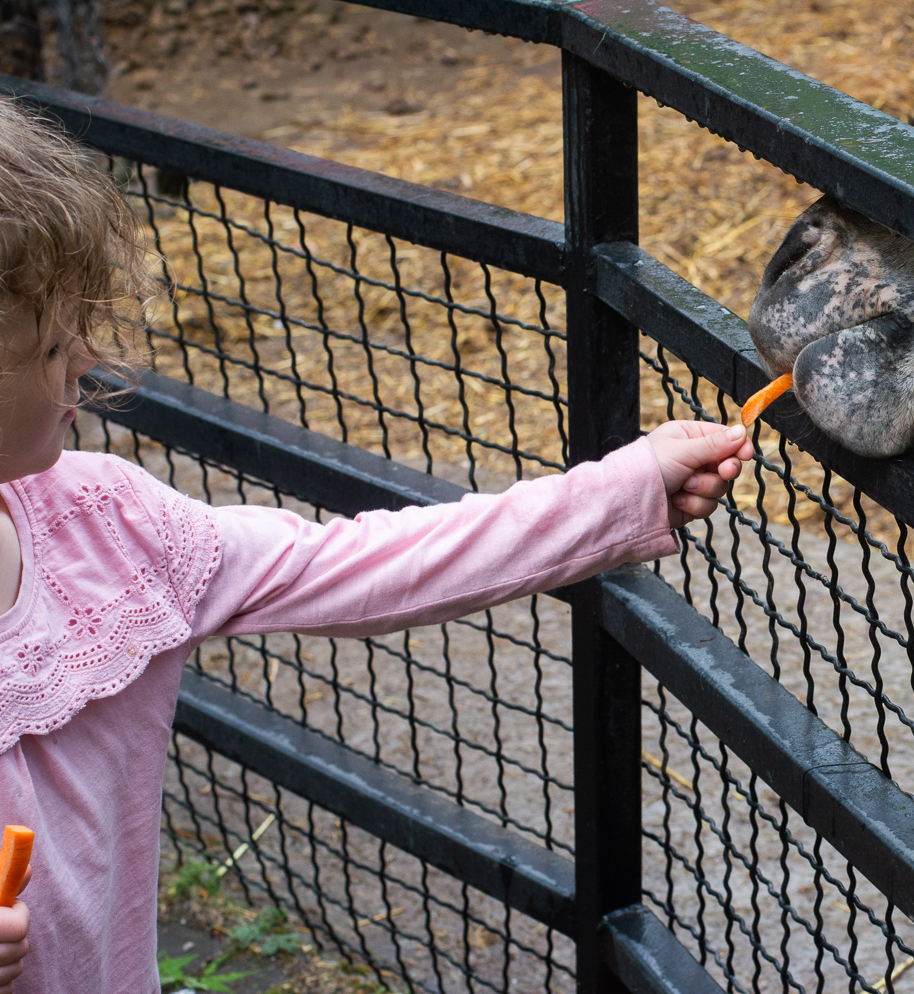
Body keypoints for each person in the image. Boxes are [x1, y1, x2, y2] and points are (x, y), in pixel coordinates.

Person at [0, 99, 754, 993]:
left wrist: (622, 490)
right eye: (52, 344)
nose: (86, 355)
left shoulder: (107, 528)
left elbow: (359, 564)